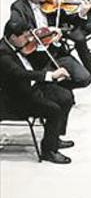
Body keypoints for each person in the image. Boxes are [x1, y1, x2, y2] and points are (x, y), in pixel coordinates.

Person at [0, 18, 74, 164]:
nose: (29, 39)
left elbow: (39, 61)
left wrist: (54, 42)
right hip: (17, 98)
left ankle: (54, 138)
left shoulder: (19, 45)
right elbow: (20, 74)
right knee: (54, 110)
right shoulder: (3, 54)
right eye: (25, 36)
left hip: (32, 87)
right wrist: (50, 75)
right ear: (13, 37)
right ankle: (48, 151)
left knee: (66, 97)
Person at [9, 0, 91, 92]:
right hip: (37, 56)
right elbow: (19, 34)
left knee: (85, 78)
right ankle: (56, 88)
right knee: (49, 87)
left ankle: (61, 87)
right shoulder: (18, 8)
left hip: (56, 51)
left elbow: (69, 25)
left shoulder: (52, 2)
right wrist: (46, 32)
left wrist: (81, 13)